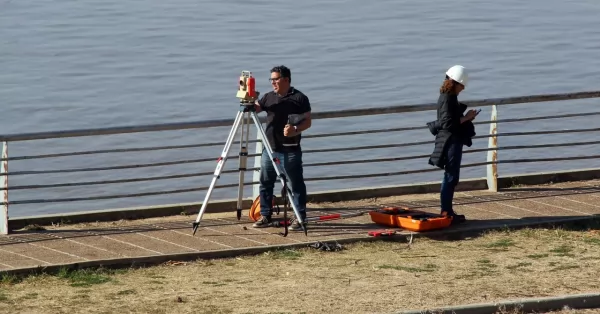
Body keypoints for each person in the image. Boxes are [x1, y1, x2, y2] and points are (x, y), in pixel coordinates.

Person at [252, 65, 312, 231]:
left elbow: (308, 121)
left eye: (276, 79)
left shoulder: (300, 98)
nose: (273, 82)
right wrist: (250, 101)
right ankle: (265, 214)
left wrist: (295, 129)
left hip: (290, 149)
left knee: (295, 184)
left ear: (286, 79)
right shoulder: (268, 97)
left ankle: (300, 218)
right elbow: (257, 108)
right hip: (270, 148)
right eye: (271, 79)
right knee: (265, 182)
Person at [427, 65, 477, 224]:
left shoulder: (447, 96)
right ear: (456, 83)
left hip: (450, 140)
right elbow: (448, 123)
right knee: (450, 176)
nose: (463, 89)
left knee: (451, 176)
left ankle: (447, 210)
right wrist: (467, 118)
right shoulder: (448, 98)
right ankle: (446, 211)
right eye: (462, 86)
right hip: (451, 141)